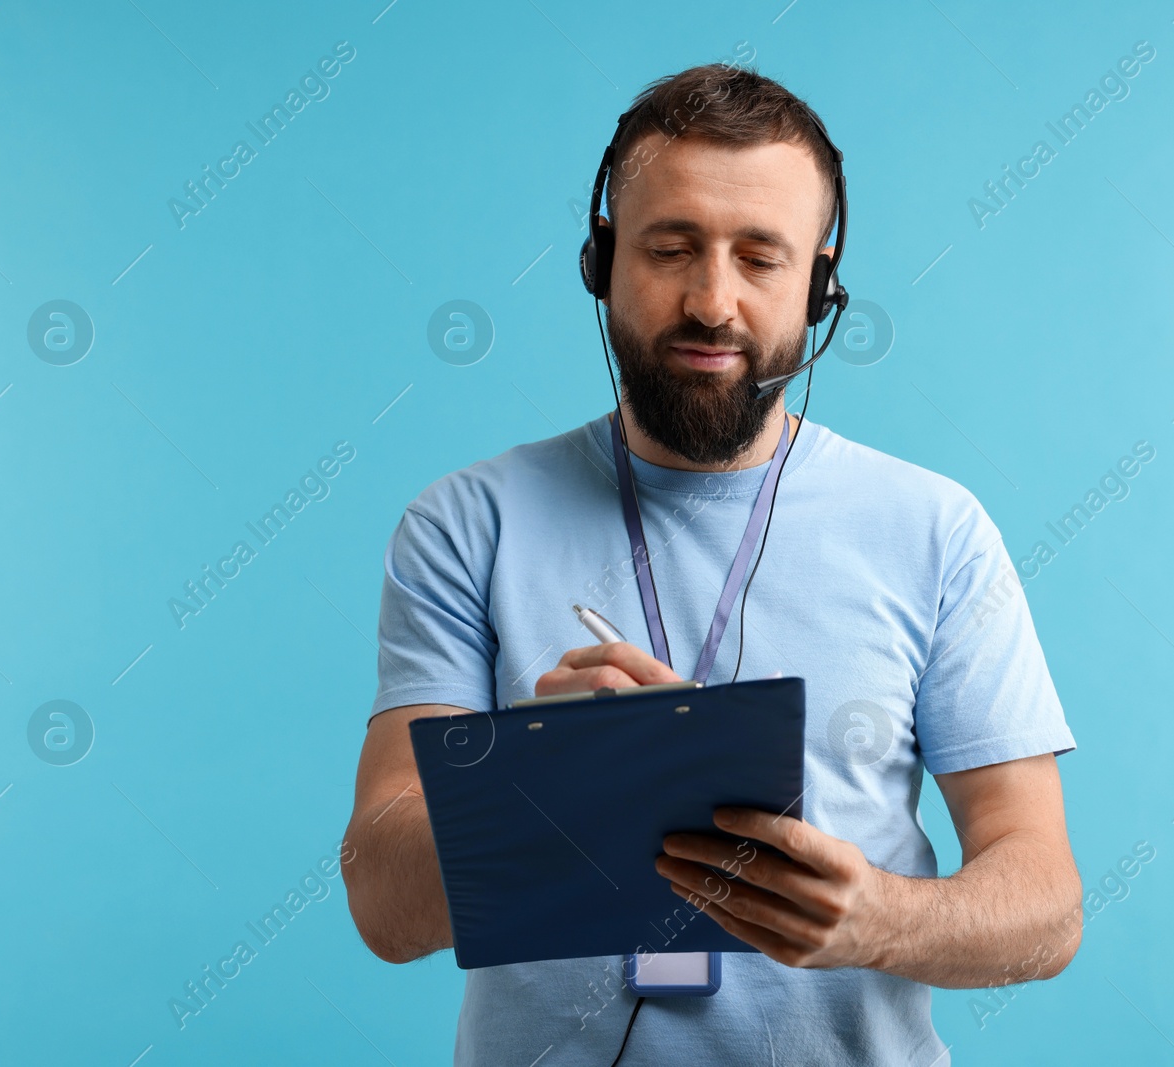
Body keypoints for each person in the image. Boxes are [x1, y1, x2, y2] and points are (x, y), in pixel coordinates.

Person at [343, 62, 1081, 1065]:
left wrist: (875, 919)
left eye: (760, 257)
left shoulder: (936, 529)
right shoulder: (465, 523)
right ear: (601, 260)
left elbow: (1044, 906)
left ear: (820, 284)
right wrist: (539, 781)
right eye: (671, 247)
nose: (712, 300)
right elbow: (384, 907)